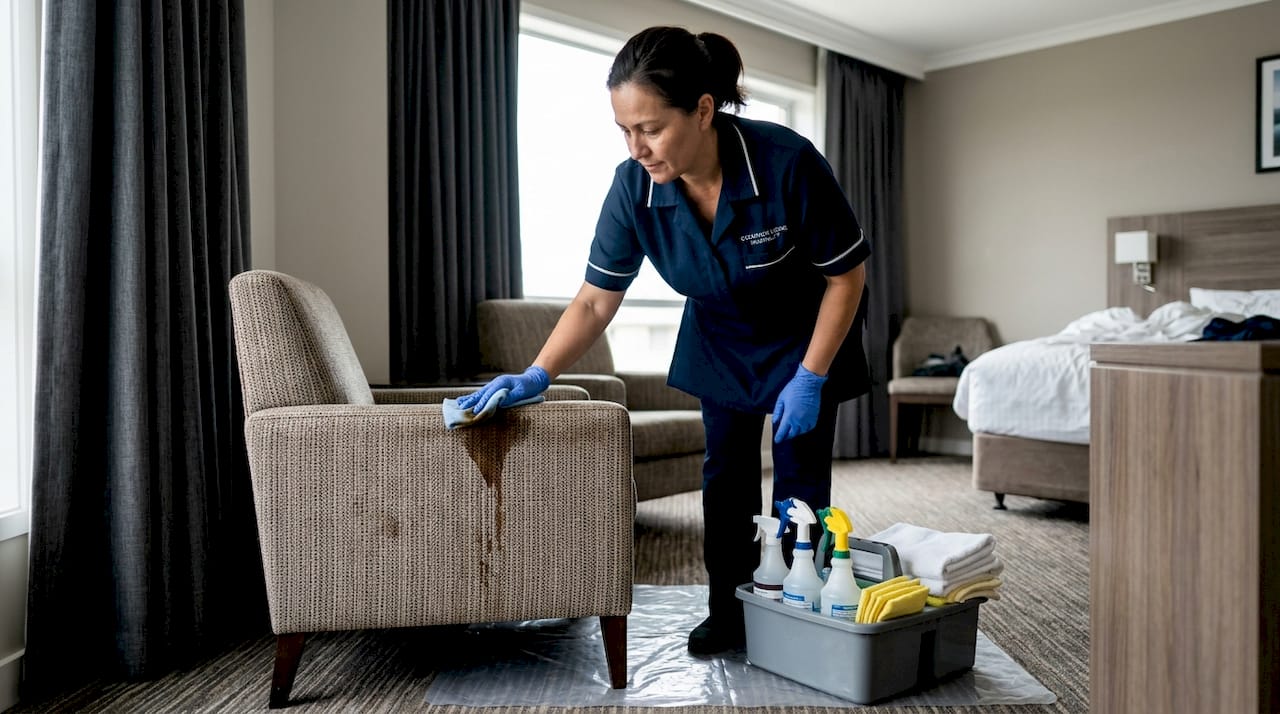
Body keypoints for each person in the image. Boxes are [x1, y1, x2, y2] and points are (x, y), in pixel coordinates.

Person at [456, 26, 871, 655]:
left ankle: (798, 612)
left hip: (804, 335)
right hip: (719, 337)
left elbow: (847, 275)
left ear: (703, 110)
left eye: (650, 127)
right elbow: (595, 300)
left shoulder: (786, 161)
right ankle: (729, 609)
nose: (637, 146)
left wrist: (811, 376)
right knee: (725, 477)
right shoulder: (633, 188)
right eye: (624, 130)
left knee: (800, 483)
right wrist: (537, 374)